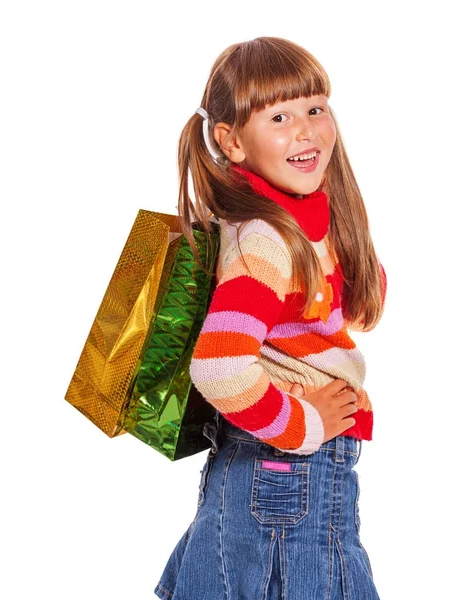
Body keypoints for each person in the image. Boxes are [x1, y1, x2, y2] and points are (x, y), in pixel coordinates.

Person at [154, 36, 387, 600]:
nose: (306, 129)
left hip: (273, 472)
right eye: (279, 116)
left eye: (316, 108)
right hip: (286, 470)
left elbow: (348, 311)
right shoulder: (266, 241)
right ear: (231, 141)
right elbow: (219, 366)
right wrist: (308, 427)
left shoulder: (294, 217)